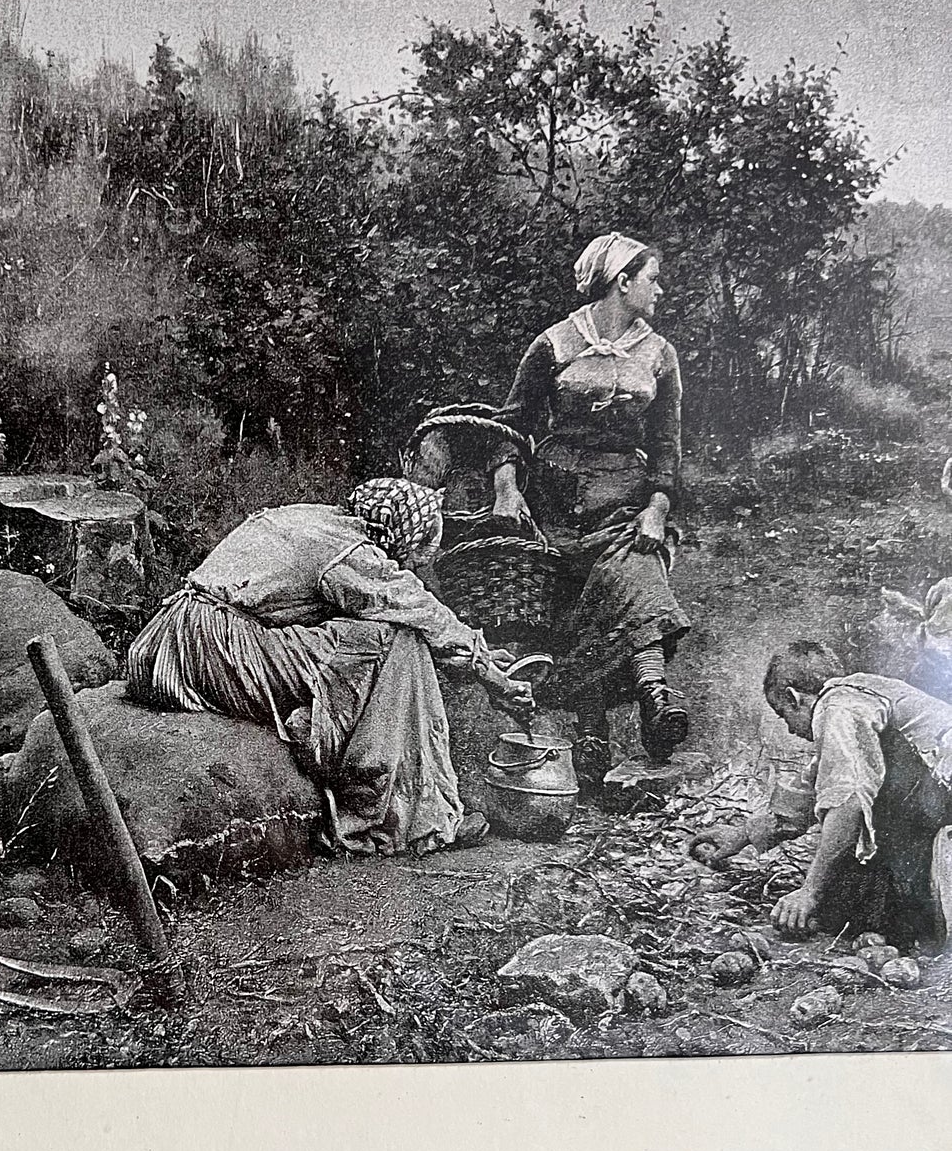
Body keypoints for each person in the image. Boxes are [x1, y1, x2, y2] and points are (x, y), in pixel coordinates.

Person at [126, 476, 534, 856]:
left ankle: (324, 729)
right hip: (213, 648)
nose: (429, 557)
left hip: (164, 642)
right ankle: (396, 810)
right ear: (402, 534)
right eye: (427, 546)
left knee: (368, 635)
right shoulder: (349, 551)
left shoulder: (314, 517)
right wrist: (483, 664)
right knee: (399, 638)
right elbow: (417, 608)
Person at [488, 232, 691, 780]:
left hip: (622, 498)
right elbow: (511, 428)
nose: (660, 290)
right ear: (622, 282)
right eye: (652, 279)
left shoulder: (660, 354)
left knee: (636, 569)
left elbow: (668, 445)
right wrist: (508, 489)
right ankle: (591, 736)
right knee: (573, 606)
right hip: (554, 499)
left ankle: (654, 696)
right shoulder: (553, 344)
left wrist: (657, 507)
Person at [695, 639, 952, 950]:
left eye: (783, 714)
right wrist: (744, 834)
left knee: (850, 852)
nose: (789, 729)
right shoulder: (855, 697)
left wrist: (810, 891)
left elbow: (848, 801)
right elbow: (815, 790)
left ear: (794, 697)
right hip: (937, 797)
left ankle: (915, 921)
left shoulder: (837, 707)